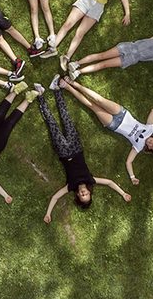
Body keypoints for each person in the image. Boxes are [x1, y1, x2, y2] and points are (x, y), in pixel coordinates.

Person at [33, 82, 129, 223]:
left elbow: (55, 197)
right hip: (76, 147)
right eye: (87, 195)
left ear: (78, 195)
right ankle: (56, 89)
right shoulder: (90, 180)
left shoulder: (70, 186)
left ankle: (40, 95)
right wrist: (123, 193)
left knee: (51, 123)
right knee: (66, 119)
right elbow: (109, 182)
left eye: (82, 196)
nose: (84, 194)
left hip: (63, 152)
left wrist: (48, 213)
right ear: (89, 192)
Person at [56, 75, 153, 185]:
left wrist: (132, 177)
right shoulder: (150, 128)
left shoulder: (138, 147)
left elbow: (128, 162)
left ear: (149, 149)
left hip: (113, 124)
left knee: (92, 106)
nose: (152, 142)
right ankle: (74, 83)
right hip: (122, 114)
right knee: (99, 99)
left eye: (152, 146)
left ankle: (67, 87)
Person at [69, 7, 153, 81]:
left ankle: (79, 72)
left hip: (130, 59)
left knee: (104, 64)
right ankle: (76, 64)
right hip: (128, 47)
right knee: (102, 55)